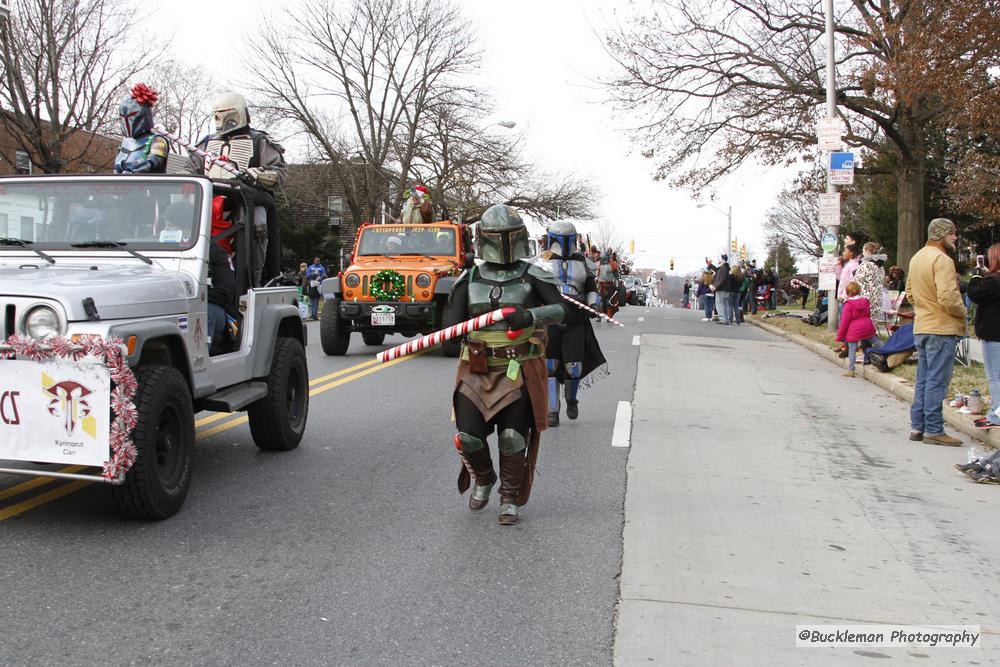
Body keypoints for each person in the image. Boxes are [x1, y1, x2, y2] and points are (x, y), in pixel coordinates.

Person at [445, 204, 569, 525]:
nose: (502, 242)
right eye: (496, 236)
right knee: (468, 437)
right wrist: (453, 333)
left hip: (518, 367)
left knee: (513, 436)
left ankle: (510, 495)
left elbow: (559, 310)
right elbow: (453, 324)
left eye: (507, 236)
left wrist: (530, 315)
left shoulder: (532, 274)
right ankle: (484, 477)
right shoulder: (469, 277)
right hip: (477, 367)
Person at [189, 92, 287, 287]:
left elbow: (280, 173)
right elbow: (189, 167)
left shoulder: (260, 140)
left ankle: (255, 279)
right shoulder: (206, 142)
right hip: (210, 202)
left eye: (225, 113)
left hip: (248, 200)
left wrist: (256, 174)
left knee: (259, 226)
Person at [906, 218, 967, 446]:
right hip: (942, 327)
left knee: (923, 379)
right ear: (942, 235)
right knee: (937, 381)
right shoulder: (942, 260)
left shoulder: (917, 257)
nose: (955, 237)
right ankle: (934, 429)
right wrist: (962, 312)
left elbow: (910, 293)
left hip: (922, 325)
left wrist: (924, 306)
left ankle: (917, 426)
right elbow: (948, 297)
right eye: (952, 233)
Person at [540, 220, 607, 427]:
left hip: (576, 319)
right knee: (550, 365)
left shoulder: (582, 261)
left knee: (574, 367)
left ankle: (571, 399)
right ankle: (552, 408)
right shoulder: (541, 262)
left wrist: (594, 304)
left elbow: (590, 287)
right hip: (551, 319)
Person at [967, 243, 1000, 430]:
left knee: (994, 376)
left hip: (993, 334)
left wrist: (976, 276)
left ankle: (996, 413)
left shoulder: (994, 282)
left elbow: (974, 294)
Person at [114, 84, 169, 175]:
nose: (128, 122)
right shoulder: (125, 143)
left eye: (131, 117)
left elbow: (153, 162)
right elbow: (116, 169)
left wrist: (131, 169)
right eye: (123, 118)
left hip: (148, 187)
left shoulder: (158, 141)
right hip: (121, 187)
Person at [836, 281, 879, 377]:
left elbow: (845, 321)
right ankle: (888, 351)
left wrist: (841, 335)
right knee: (876, 341)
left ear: (847, 292)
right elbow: (868, 313)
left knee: (852, 349)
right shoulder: (865, 301)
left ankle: (851, 370)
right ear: (859, 290)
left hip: (854, 329)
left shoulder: (848, 304)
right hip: (867, 325)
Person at [853, 242, 887, 325]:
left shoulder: (865, 265)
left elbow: (856, 281)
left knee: (863, 326)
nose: (862, 253)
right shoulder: (880, 266)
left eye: (863, 251)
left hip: (865, 298)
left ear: (868, 251)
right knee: (872, 325)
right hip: (877, 297)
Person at [711, 254, 735, 325]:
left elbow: (722, 279)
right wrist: (710, 265)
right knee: (725, 305)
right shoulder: (724, 268)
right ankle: (727, 319)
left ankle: (723, 319)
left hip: (721, 290)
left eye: (720, 259)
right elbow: (717, 269)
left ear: (723, 260)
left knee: (720, 305)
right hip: (725, 290)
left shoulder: (723, 268)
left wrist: (715, 287)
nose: (719, 260)